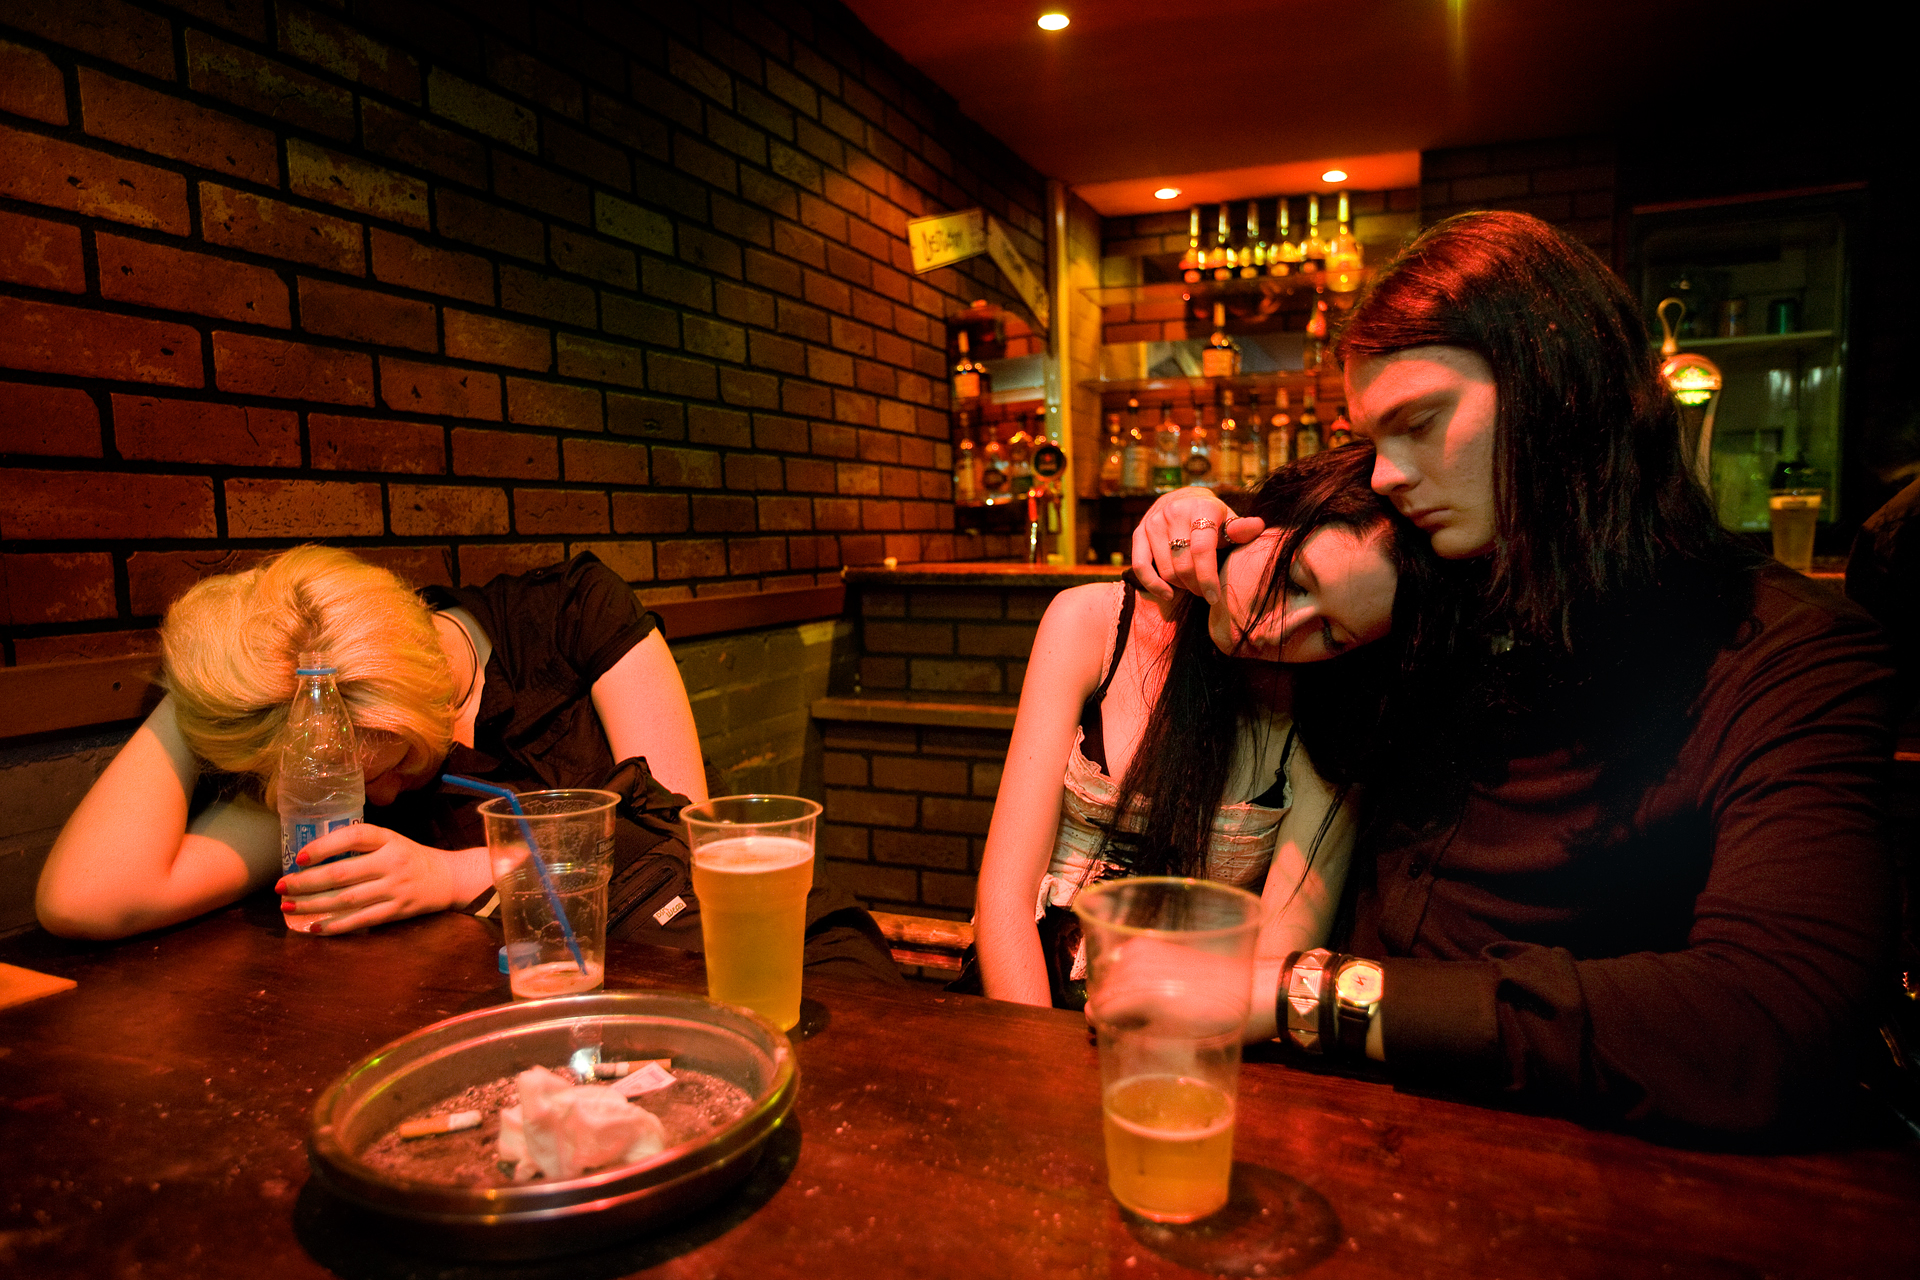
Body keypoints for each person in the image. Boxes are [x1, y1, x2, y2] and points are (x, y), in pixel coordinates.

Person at [1133, 211, 1898, 1137]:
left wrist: (1316, 997)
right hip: (1342, 1126)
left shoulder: (1789, 651)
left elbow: (1780, 1016)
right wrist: (1202, 530)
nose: (1383, 476)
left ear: (1559, 389)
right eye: (1373, 439)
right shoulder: (1443, 589)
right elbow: (1287, 603)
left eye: (1417, 423)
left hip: (1582, 1168)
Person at [36, 549, 898, 983]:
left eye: (393, 763)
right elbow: (87, 898)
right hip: (561, 1031)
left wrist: (458, 875)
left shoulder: (572, 616)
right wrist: (216, 674)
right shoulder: (324, 734)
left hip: (742, 962)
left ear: (426, 706)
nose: (373, 799)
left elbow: (684, 835)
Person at [973, 447, 1433, 1024]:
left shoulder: (1329, 715)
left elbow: (1273, 964)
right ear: (1254, 523)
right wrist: (1034, 1057)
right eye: (1294, 580)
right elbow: (1005, 899)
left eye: (1333, 635)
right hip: (1029, 1009)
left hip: (1196, 1034)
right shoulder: (1091, 623)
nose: (1279, 630)